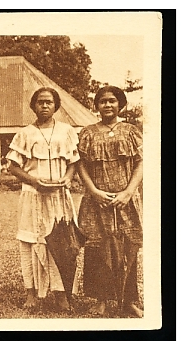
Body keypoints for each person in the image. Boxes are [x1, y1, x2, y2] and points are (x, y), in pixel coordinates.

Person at [5, 87, 79, 311]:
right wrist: (35, 181)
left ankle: (62, 293)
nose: (44, 106)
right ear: (33, 106)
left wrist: (66, 179)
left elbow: (74, 161)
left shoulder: (66, 131)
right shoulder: (25, 133)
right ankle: (32, 293)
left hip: (58, 196)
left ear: (56, 105)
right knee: (30, 241)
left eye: (49, 102)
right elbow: (13, 166)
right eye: (40, 102)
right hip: (33, 195)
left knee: (61, 241)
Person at [77, 86, 143, 317]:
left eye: (112, 101)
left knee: (128, 247)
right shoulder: (88, 133)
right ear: (96, 106)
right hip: (97, 201)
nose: (107, 105)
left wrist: (127, 192)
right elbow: (80, 165)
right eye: (102, 101)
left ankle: (128, 301)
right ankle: (101, 299)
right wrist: (94, 191)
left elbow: (140, 163)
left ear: (120, 104)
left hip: (125, 200)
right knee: (97, 248)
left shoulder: (131, 131)